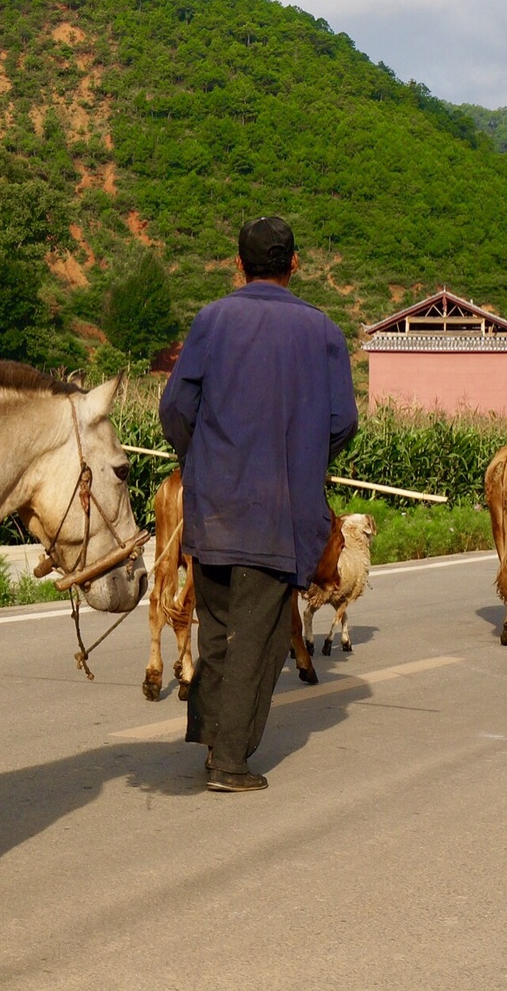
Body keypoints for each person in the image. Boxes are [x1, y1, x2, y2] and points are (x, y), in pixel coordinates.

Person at [158, 216, 358, 792]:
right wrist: (301, 457)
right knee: (262, 636)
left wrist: (203, 460)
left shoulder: (212, 320)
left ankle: (210, 739)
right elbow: (343, 422)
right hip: (279, 511)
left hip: (214, 505)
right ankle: (229, 761)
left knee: (217, 625)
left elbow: (175, 409)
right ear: (295, 263)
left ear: (237, 263)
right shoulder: (322, 332)